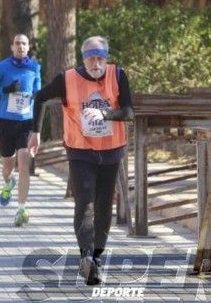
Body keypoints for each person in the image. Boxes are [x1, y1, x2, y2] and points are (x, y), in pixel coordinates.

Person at [27, 36, 134, 285]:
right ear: (83, 58)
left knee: (104, 205)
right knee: (85, 202)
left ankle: (96, 257)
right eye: (90, 58)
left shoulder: (118, 75)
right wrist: (36, 131)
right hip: (80, 150)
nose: (95, 63)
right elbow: (40, 97)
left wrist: (105, 113)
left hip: (111, 150)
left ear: (106, 58)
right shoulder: (67, 79)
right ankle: (86, 257)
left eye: (100, 58)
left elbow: (129, 112)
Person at [0, 34, 41, 227]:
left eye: (24, 43)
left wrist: (36, 97)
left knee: (24, 164)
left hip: (25, 123)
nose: (21, 46)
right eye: (17, 43)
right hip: (5, 123)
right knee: (8, 166)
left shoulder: (34, 68)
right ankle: (8, 183)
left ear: (28, 47)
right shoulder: (2, 67)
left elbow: (39, 94)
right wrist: (4, 90)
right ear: (12, 47)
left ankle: (21, 208)